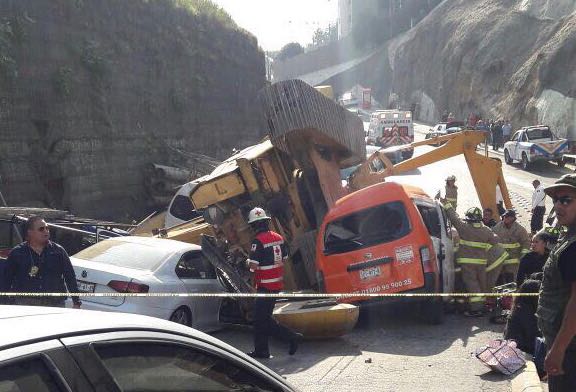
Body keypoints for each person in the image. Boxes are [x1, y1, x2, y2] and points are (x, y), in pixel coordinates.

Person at [536, 174, 576, 391]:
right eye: (555, 200)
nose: (558, 205)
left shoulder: (573, 247)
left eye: (566, 200)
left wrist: (558, 350)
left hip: (570, 349)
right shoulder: (568, 238)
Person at [245, 207, 301, 359]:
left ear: (254, 226)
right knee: (263, 318)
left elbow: (253, 266)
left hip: (265, 286)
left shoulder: (257, 241)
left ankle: (290, 337)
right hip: (276, 285)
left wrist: (247, 261)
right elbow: (284, 259)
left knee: (259, 319)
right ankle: (262, 350)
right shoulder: (278, 237)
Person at [442, 203, 508, 317]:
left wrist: (447, 205)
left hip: (467, 263)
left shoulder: (464, 227)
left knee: (472, 284)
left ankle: (477, 309)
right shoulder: (486, 230)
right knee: (481, 284)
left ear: (468, 218)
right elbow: (495, 240)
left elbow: (453, 217)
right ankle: (481, 306)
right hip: (481, 263)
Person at [3, 216, 82, 308]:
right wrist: (4, 304)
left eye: (47, 228)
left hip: (54, 304)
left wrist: (76, 301)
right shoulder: (17, 253)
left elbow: (70, 277)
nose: (46, 231)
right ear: (30, 232)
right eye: (41, 229)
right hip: (24, 304)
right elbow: (6, 280)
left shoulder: (58, 251)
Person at [504, 279, 542, 354]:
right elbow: (534, 335)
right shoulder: (525, 312)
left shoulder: (518, 308)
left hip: (519, 346)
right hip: (524, 350)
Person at [492, 209, 531, 284]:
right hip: (500, 261)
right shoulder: (497, 228)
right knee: (500, 282)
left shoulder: (520, 230)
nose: (505, 218)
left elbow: (526, 243)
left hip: (513, 262)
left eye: (507, 217)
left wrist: (523, 257)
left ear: (513, 218)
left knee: (512, 281)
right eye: (504, 217)